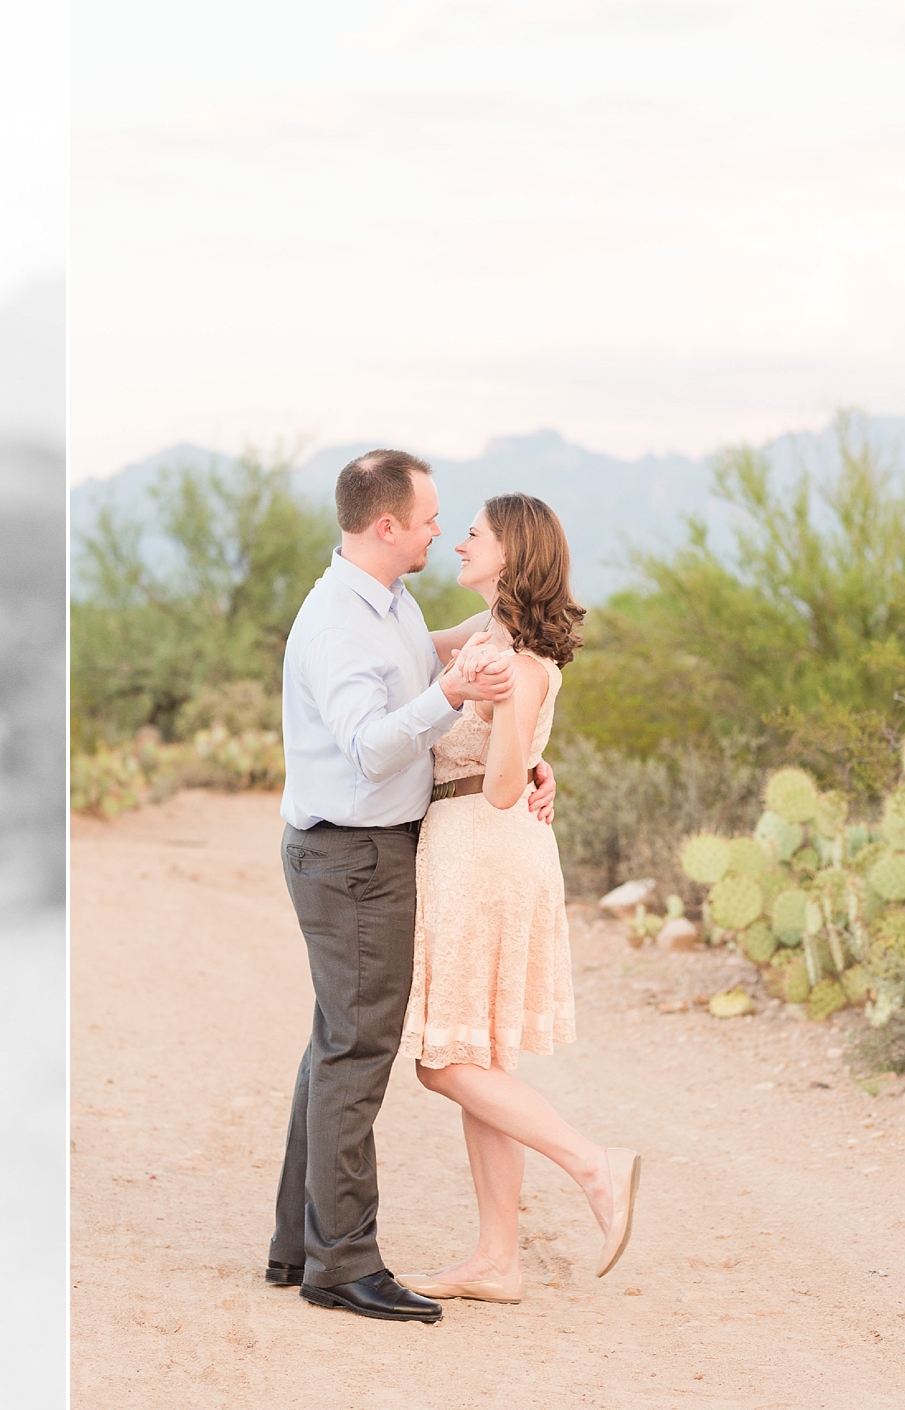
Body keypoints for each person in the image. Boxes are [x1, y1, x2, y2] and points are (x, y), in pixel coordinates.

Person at [268, 449, 556, 1323]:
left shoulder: (388, 604)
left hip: (374, 848)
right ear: (388, 525)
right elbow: (367, 743)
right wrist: (456, 694)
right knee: (358, 1051)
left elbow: (442, 668)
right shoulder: (336, 626)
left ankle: (299, 1245)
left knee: (336, 1043)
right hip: (351, 853)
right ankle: (341, 1262)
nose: (442, 529)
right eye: (432, 518)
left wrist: (524, 736)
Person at [395, 493, 639, 1306]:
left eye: (475, 533)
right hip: (483, 843)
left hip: (480, 843)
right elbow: (411, 650)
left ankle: (589, 1162)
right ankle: (498, 1257)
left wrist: (512, 727)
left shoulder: (517, 658)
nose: (460, 541)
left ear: (510, 553)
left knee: (442, 1061)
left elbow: (501, 786)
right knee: (482, 1055)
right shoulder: (488, 636)